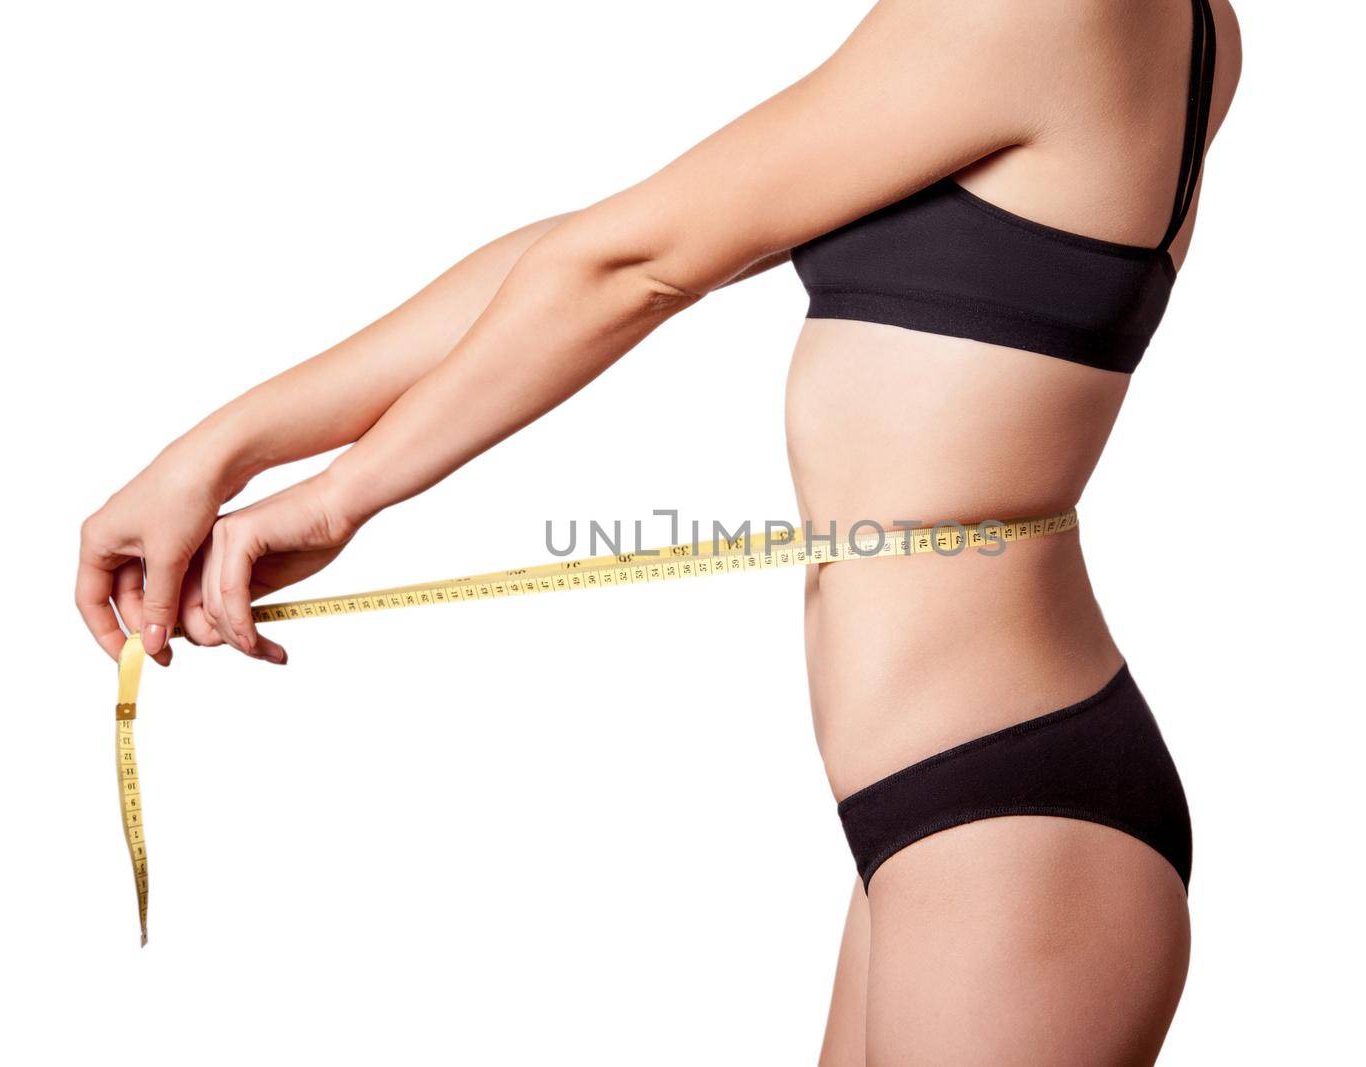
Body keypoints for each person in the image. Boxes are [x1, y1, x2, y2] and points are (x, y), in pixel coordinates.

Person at [76, 0, 1241, 1061]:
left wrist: (338, 497)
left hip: (1013, 823)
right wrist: (219, 449)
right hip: (961, 802)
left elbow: (631, 265)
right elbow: (599, 243)